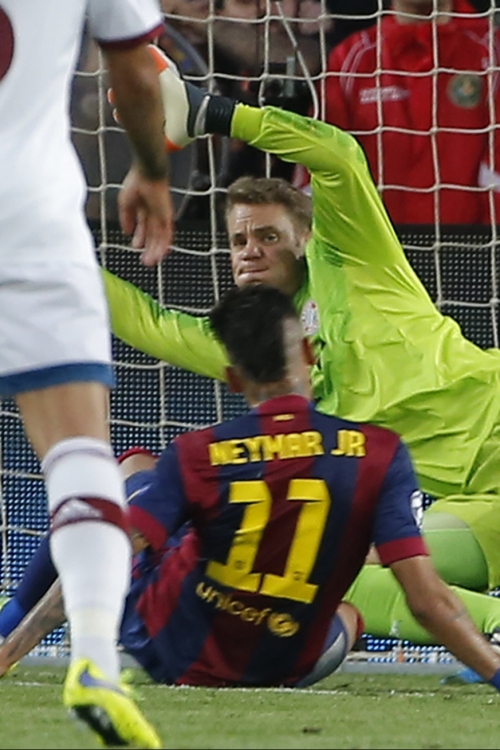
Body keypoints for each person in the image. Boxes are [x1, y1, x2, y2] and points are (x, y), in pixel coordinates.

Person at [5, 39, 500, 674]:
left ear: (306, 238)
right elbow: (146, 321)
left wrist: (212, 113)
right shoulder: (253, 348)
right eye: (239, 239)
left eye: (268, 235)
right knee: (333, 568)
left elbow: (337, 155)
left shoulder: (355, 260)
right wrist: (34, 246)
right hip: (469, 505)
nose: (249, 250)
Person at [4, 285, 500, 695]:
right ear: (309, 354)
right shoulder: (379, 454)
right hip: (284, 656)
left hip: (175, 652)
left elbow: (101, 557)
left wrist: (10, 652)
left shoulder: (199, 453)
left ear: (233, 379)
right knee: (348, 616)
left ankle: (6, 624)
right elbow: (426, 601)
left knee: (121, 480)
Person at [0, 3, 176, 748]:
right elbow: (136, 71)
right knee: (79, 457)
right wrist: (152, 171)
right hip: (29, 213)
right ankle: (97, 660)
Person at [314, 0, 500, 225]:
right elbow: (320, 163)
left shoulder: (492, 51)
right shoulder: (351, 58)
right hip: (375, 238)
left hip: (474, 239)